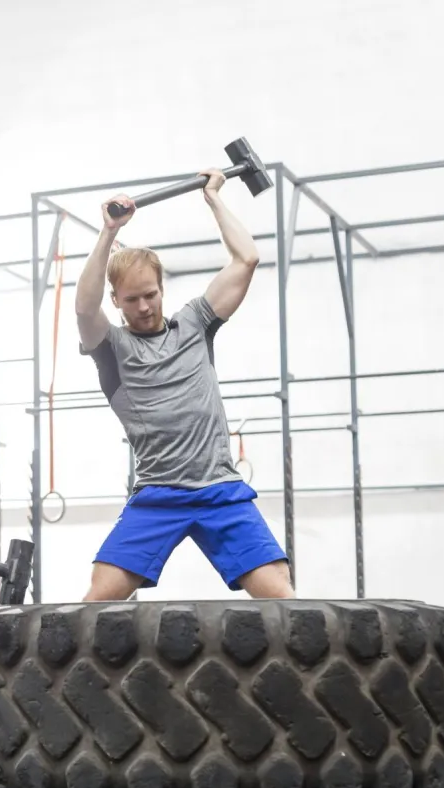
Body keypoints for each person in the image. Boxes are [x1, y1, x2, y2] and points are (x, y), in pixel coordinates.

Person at [74, 169, 294, 603]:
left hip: (220, 490)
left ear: (161, 288)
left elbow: (246, 259)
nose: (144, 306)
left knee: (282, 600)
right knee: (96, 603)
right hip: (158, 494)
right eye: (132, 299)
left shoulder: (194, 324)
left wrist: (213, 197)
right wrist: (108, 233)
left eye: (150, 294)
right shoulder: (112, 348)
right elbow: (83, 307)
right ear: (116, 300)